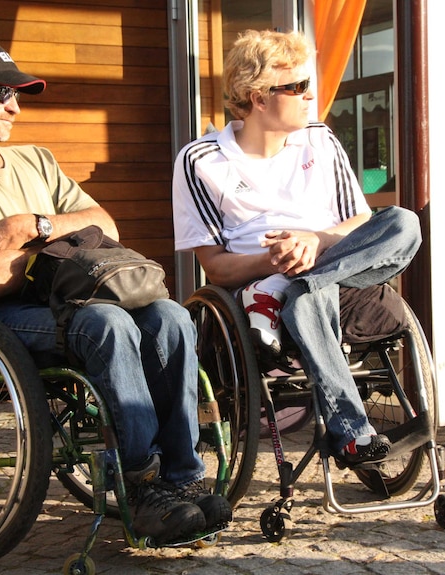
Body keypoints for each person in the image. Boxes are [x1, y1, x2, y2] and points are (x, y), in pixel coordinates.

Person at [0, 36, 230, 544]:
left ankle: (183, 480)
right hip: (3, 321)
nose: (15, 105)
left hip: (77, 297)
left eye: (20, 94)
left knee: (171, 317)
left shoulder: (37, 160)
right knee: (109, 324)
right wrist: (54, 252)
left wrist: (32, 224)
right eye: (1, 92)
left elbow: (104, 224)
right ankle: (140, 487)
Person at [172, 29, 422, 466]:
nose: (311, 96)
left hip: (333, 269)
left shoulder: (320, 140)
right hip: (257, 280)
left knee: (404, 222)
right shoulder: (201, 161)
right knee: (308, 300)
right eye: (299, 86)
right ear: (259, 97)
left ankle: (288, 290)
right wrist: (274, 260)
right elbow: (215, 269)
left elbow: (360, 222)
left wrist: (316, 241)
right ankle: (353, 435)